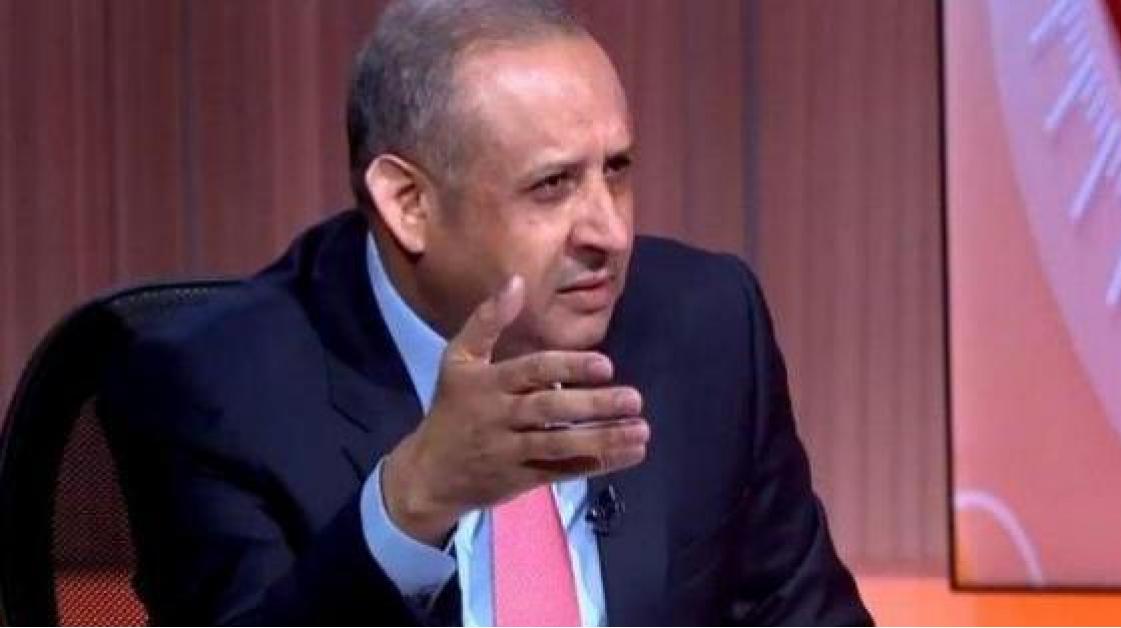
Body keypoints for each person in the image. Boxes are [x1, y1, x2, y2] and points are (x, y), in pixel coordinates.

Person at [99, 0, 871, 625]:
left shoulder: (705, 323)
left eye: (617, 170)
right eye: (552, 185)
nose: (610, 232)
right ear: (408, 204)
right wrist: (410, 506)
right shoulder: (216, 390)